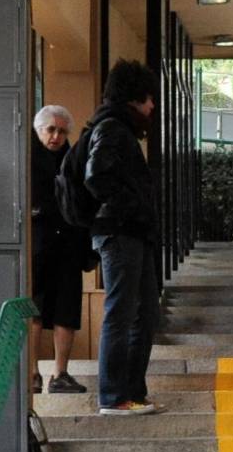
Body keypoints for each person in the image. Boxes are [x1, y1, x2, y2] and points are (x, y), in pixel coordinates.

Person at [84, 59, 163, 416]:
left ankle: (132, 392)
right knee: (123, 314)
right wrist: (130, 208)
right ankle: (114, 396)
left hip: (130, 233)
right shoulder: (113, 129)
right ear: (135, 97)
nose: (153, 107)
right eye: (149, 99)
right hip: (120, 234)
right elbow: (97, 177)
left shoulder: (120, 129)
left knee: (143, 312)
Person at [31, 105, 90, 394]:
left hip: (68, 242)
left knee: (66, 309)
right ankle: (32, 373)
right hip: (39, 241)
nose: (55, 136)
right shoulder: (29, 158)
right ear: (38, 131)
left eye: (61, 131)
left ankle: (60, 373)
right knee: (35, 308)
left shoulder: (74, 160)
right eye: (50, 130)